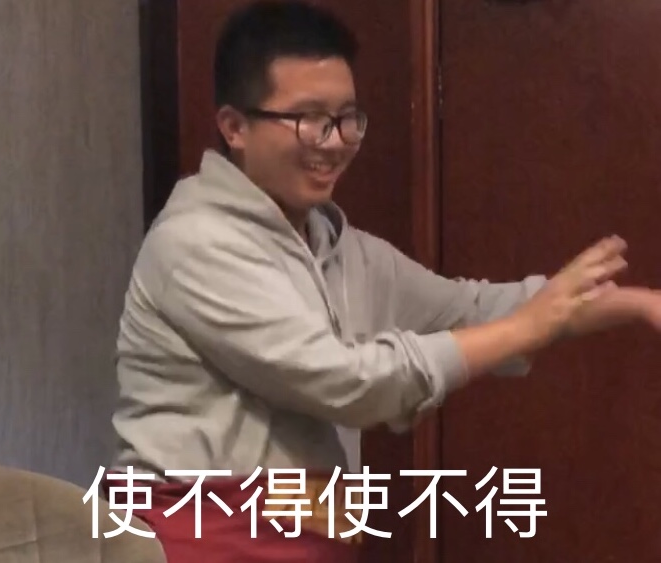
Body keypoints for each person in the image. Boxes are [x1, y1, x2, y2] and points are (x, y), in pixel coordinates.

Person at [102, 1, 661, 561]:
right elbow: (347, 383)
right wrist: (524, 330)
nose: (334, 141)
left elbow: (471, 308)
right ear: (234, 126)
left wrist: (636, 305)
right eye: (309, 119)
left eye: (347, 118)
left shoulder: (340, 247)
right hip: (193, 545)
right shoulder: (197, 242)